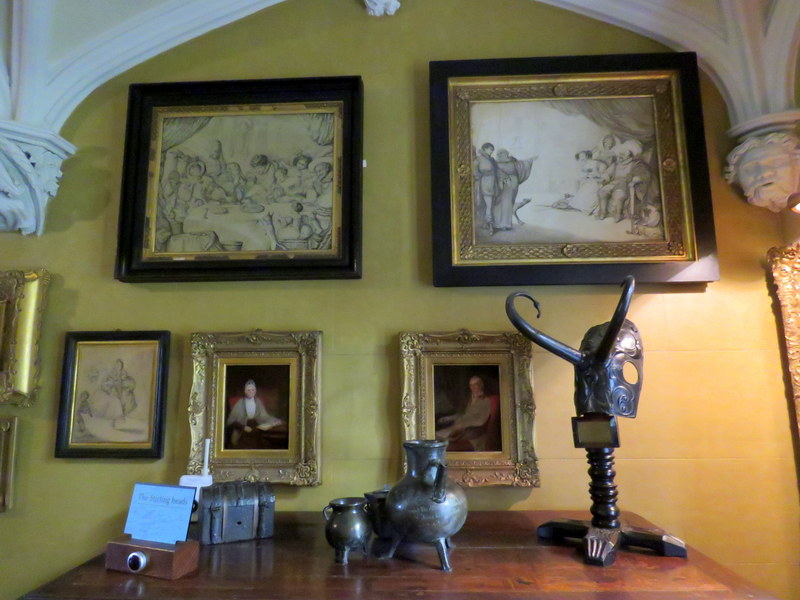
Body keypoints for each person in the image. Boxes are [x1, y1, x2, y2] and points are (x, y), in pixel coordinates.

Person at [435, 376, 499, 452]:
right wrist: (449, 418)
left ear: (481, 385)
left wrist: (464, 425)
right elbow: (464, 414)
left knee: (441, 440)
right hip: (459, 427)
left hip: (473, 432)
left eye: (475, 384)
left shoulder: (485, 401)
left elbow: (481, 421)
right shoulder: (470, 399)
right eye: (471, 385)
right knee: (435, 435)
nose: (473, 387)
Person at [226, 379, 283, 449]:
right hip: (242, 433)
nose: (251, 392)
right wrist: (243, 427)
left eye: (253, 390)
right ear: (245, 391)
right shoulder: (240, 403)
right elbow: (231, 421)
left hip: (256, 430)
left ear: (255, 391)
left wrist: (275, 421)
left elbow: (264, 416)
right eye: (248, 390)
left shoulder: (258, 402)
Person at [494, 149, 536, 230]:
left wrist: (530, 160)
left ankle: (506, 224)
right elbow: (496, 172)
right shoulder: (496, 163)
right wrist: (503, 178)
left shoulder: (513, 161)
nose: (499, 155)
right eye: (499, 153)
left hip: (513, 185)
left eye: (502, 153)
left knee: (509, 204)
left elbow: (522, 164)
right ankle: (499, 223)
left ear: (506, 154)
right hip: (503, 184)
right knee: (501, 203)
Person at [474, 143, 499, 234]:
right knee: (489, 206)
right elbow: (474, 172)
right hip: (485, 184)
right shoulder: (479, 159)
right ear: (484, 149)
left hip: (493, 184)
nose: (491, 151)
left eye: (492, 149)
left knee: (491, 206)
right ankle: (490, 227)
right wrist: (482, 176)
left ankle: (487, 224)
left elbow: (497, 171)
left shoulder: (491, 160)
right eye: (490, 149)